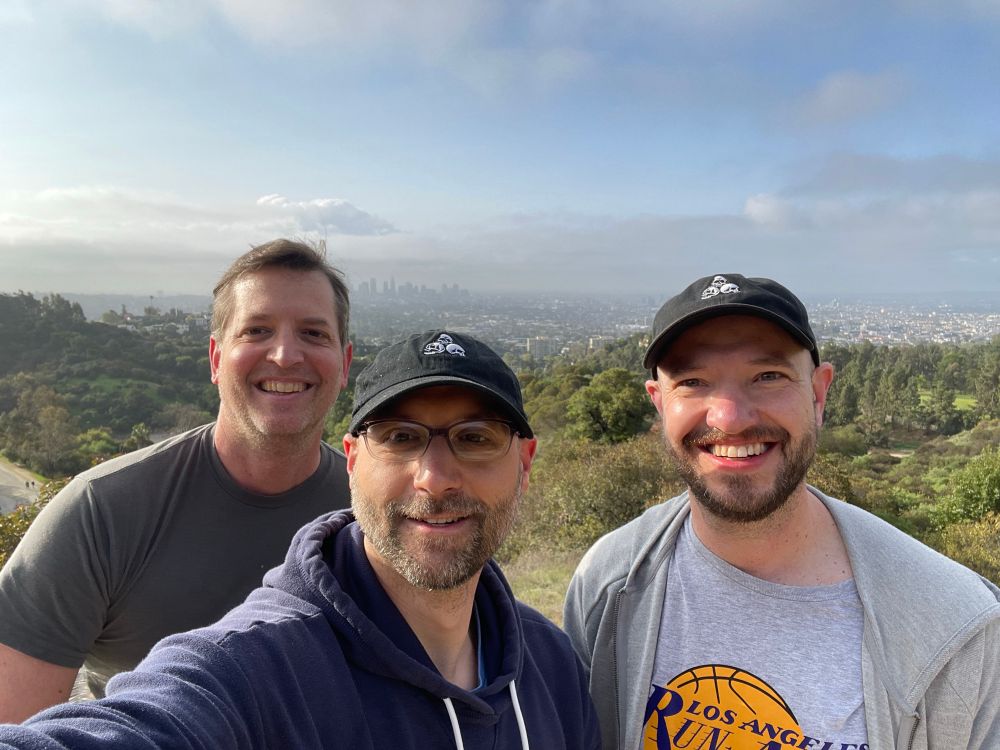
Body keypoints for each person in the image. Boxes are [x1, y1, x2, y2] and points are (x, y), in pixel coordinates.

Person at [0, 330, 601, 749]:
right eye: (399, 438)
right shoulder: (254, 670)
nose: (435, 478)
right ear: (352, 458)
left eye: (475, 439)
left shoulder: (551, 665)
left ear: (524, 463)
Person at [564, 274, 1000, 750]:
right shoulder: (609, 582)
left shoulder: (957, 630)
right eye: (692, 382)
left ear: (818, 394)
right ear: (659, 404)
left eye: (768, 376)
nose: (729, 417)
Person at [0, 239, 353, 721]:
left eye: (314, 333)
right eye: (257, 330)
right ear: (215, 358)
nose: (287, 355)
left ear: (346, 363)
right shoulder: (103, 510)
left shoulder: (372, 511)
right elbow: (14, 723)